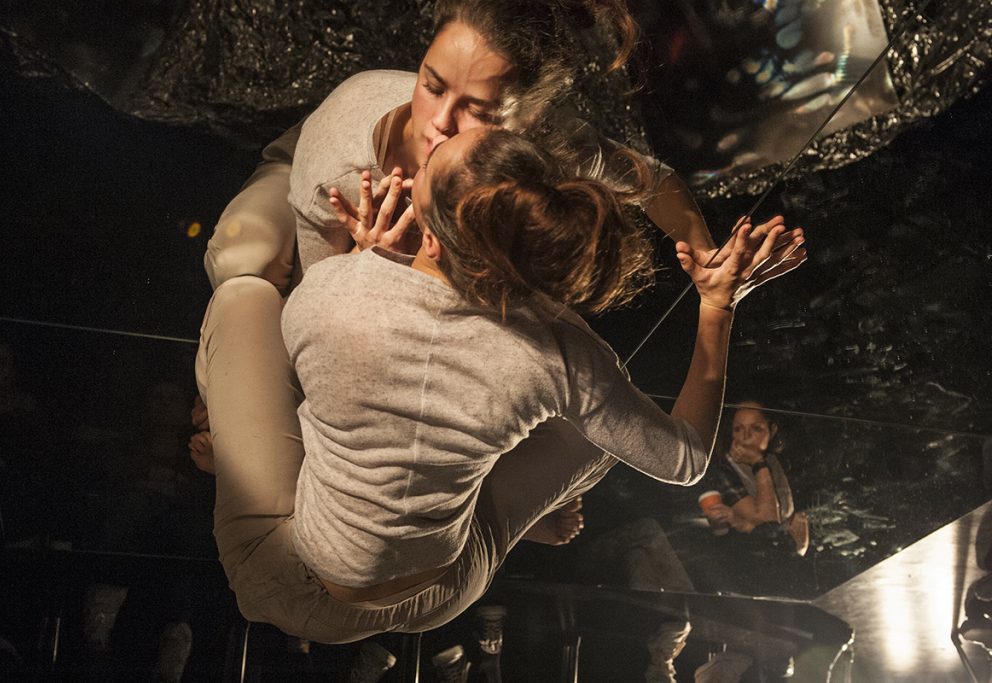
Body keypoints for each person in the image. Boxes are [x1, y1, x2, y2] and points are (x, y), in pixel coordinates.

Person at [196, 126, 806, 642]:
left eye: (426, 167)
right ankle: (516, 511)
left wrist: (365, 261)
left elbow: (327, 388)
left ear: (428, 236)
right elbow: (686, 459)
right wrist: (717, 307)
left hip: (298, 585)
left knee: (243, 297)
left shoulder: (332, 292)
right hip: (450, 586)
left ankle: (220, 440)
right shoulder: (563, 351)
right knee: (602, 426)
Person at [201, 0, 717, 297]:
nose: (440, 124)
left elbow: (653, 180)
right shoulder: (341, 169)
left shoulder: (546, 140)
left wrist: (709, 259)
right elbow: (315, 304)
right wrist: (366, 264)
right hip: (300, 162)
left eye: (480, 110)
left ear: (526, 120)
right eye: (432, 85)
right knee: (245, 260)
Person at [701, 401, 810, 556]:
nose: (745, 436)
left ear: (772, 430)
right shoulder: (723, 470)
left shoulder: (777, 460)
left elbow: (800, 525)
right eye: (738, 429)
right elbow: (767, 525)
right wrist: (758, 464)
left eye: (756, 428)